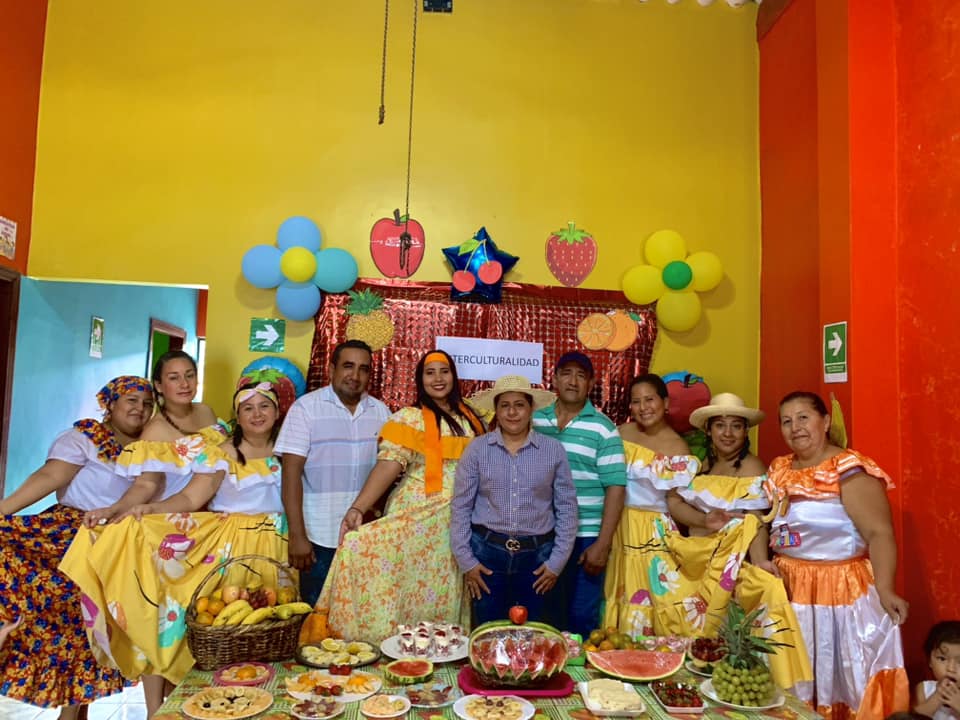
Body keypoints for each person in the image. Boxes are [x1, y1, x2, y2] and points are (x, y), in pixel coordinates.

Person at [60, 382, 289, 719]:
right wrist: (151, 510)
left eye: (264, 406)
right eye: (248, 408)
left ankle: (267, 706)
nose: (257, 414)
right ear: (237, 416)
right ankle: (217, 706)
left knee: (272, 629)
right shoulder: (221, 453)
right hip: (228, 552)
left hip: (277, 548)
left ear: (278, 411)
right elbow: (190, 497)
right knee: (223, 629)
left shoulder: (288, 452)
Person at [0, 376, 154, 719]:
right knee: (74, 624)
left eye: (147, 403)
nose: (139, 409)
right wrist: (3, 511)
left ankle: (73, 714)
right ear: (110, 404)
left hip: (119, 546)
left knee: (92, 630)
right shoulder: (85, 439)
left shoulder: (153, 446)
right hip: (69, 538)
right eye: (130, 400)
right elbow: (49, 477)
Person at [317, 349, 485, 641]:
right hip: (416, 514)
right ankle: (384, 645)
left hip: (455, 521)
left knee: (441, 586)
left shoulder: (472, 419)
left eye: (444, 371)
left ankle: (437, 651)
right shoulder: (410, 418)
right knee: (400, 581)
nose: (438, 379)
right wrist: (358, 508)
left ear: (454, 376)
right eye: (429, 373)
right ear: (420, 380)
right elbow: (388, 465)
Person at [769, 391, 909, 720]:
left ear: (826, 421)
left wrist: (885, 588)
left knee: (844, 672)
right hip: (788, 588)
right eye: (786, 421)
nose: (795, 427)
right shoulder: (779, 468)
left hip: (839, 591)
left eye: (803, 418)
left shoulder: (848, 469)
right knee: (792, 677)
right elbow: (765, 522)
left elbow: (880, 533)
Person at [663, 392, 812, 691]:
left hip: (729, 570)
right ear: (709, 430)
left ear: (745, 432)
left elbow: (755, 520)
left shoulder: (753, 468)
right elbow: (674, 501)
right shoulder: (700, 466)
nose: (728, 433)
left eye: (736, 426)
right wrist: (703, 520)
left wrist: (760, 562)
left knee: (723, 646)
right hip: (695, 566)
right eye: (720, 425)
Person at [451, 375, 578, 625]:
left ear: (531, 409)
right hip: (486, 556)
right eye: (505, 405)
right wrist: (467, 562)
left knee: (534, 634)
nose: (512, 412)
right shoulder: (477, 449)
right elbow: (461, 507)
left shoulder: (553, 450)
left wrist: (556, 563)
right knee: (488, 632)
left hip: (538, 559)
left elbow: (567, 508)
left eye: (519, 405)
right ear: (496, 411)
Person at [275, 339, 389, 606]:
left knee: (360, 613)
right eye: (348, 366)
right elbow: (290, 475)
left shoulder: (382, 413)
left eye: (363, 369)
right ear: (331, 369)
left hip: (364, 537)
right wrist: (297, 536)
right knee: (317, 618)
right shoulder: (306, 409)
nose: (355, 375)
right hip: (318, 536)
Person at [533, 351, 626, 637]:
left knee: (581, 617)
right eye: (566, 373)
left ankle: (581, 669)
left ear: (591, 384)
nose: (573, 381)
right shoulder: (535, 421)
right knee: (543, 615)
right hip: (543, 534)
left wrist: (603, 543)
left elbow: (616, 488)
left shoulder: (603, 429)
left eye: (581, 375)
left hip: (586, 537)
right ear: (554, 379)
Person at [603, 373, 701, 637]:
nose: (643, 407)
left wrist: (705, 520)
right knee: (616, 591)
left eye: (650, 399)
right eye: (636, 401)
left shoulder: (678, 447)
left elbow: (676, 503)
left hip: (652, 534)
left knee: (650, 598)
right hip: (616, 524)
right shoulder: (621, 433)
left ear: (665, 403)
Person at [82, 350, 226, 526]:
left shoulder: (205, 411)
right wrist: (114, 509)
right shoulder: (155, 431)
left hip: (212, 509)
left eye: (189, 376)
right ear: (159, 386)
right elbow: (145, 485)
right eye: (174, 378)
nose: (184, 384)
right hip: (175, 515)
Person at [915, 621, 960, 720]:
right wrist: (937, 697)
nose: (950, 669)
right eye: (942, 659)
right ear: (930, 661)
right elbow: (915, 718)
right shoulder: (925, 688)